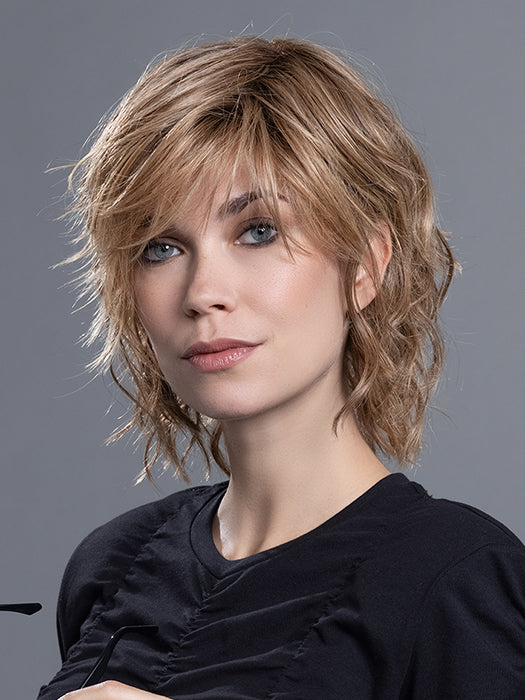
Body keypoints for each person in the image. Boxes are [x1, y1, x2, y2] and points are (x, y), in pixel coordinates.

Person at [38, 37, 524, 699]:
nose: (203, 292)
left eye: (258, 231)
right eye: (160, 246)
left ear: (365, 265)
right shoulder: (110, 564)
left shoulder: (457, 576)